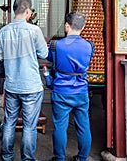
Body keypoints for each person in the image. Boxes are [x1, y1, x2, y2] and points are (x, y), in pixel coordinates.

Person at [0, 0, 48, 161]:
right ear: (27, 11)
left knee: (9, 122)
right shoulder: (34, 31)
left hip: (11, 85)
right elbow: (44, 53)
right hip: (31, 85)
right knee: (29, 125)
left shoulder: (3, 31)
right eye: (30, 11)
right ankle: (27, 158)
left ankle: (6, 156)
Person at [47, 11, 95, 161]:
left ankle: (59, 157)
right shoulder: (89, 46)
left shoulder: (56, 45)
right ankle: (82, 157)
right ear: (84, 26)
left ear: (66, 26)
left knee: (60, 126)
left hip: (61, 89)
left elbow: (50, 58)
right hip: (81, 90)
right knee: (83, 126)